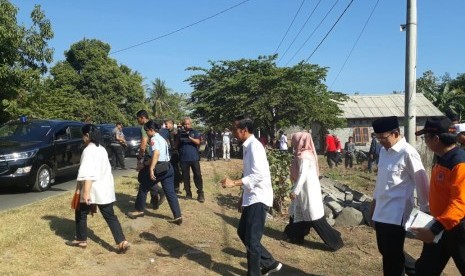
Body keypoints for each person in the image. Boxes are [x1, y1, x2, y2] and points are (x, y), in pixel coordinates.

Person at [220, 115, 282, 276]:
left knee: (252, 240)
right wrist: (243, 197)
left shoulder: (255, 146)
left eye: (235, 129)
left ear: (244, 130)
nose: (233, 132)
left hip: (259, 197)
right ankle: (269, 263)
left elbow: (258, 175)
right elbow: (249, 173)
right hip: (251, 196)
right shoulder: (247, 146)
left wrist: (234, 183)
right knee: (243, 232)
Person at [368, 116, 430, 276]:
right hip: (381, 210)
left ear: (395, 133)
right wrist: (374, 206)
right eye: (377, 137)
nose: (380, 141)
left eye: (383, 137)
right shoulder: (384, 151)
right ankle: (418, 271)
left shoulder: (408, 152)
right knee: (386, 251)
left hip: (396, 214)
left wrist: (426, 210)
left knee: (392, 257)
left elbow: (422, 183)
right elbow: (380, 182)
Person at [412, 117, 465, 275]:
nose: (424, 141)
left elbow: (459, 203)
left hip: (458, 229)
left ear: (435, 139)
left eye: (425, 137)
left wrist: (434, 229)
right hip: (440, 225)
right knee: (424, 270)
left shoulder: (459, 163)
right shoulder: (441, 159)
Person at [65, 124, 130, 253]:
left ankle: (81, 239)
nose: (83, 138)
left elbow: (88, 173)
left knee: (81, 213)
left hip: (93, 189)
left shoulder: (88, 150)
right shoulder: (101, 148)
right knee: (110, 215)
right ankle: (122, 241)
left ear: (87, 135)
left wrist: (86, 193)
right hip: (105, 188)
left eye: (83, 135)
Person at [284, 132, 344, 250]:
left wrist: (295, 191)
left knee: (314, 218)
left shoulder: (304, 156)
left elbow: (302, 175)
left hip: (306, 190)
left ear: (299, 141)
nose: (292, 142)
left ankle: (335, 241)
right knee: (297, 213)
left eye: (294, 140)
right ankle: (294, 236)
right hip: (305, 189)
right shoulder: (304, 154)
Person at [126, 120, 182, 224]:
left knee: (143, 186)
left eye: (146, 130)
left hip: (160, 167)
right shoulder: (162, 138)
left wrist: (151, 168)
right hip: (168, 167)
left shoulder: (154, 139)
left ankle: (138, 210)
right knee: (170, 192)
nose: (146, 133)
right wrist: (145, 164)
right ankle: (177, 216)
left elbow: (156, 154)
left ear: (151, 130)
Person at [135, 110, 164, 210]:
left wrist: (140, 158)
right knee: (151, 178)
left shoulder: (145, 127)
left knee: (142, 178)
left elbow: (143, 143)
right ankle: (154, 203)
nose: (137, 120)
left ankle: (160, 191)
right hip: (155, 155)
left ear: (142, 117)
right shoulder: (153, 124)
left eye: (138, 118)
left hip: (149, 155)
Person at [177, 117, 205, 202]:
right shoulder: (180, 133)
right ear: (183, 124)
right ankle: (188, 193)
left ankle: (200, 193)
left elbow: (198, 142)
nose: (186, 125)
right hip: (183, 158)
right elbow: (176, 145)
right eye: (185, 124)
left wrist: (190, 138)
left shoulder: (195, 132)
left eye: (188, 124)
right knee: (185, 177)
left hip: (194, 158)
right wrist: (178, 134)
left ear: (191, 124)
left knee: (197, 176)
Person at [164, 118, 183, 194]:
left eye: (166, 124)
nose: (165, 126)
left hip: (176, 153)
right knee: (172, 170)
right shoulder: (167, 132)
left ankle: (177, 185)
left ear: (171, 124)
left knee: (175, 170)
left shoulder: (175, 132)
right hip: (171, 153)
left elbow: (177, 143)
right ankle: (175, 185)